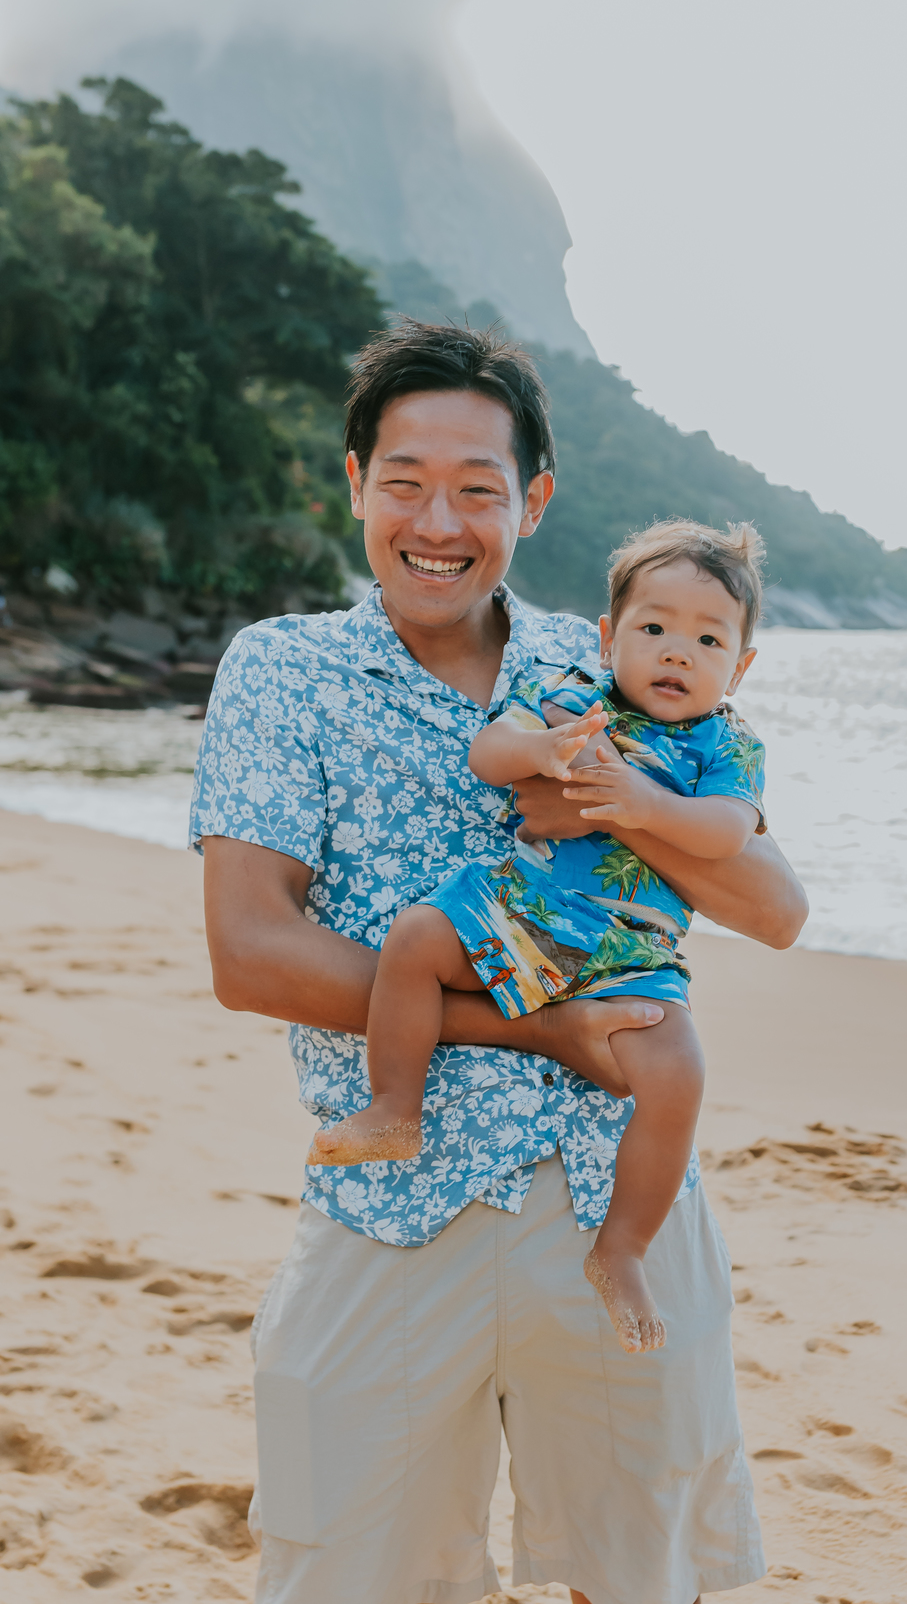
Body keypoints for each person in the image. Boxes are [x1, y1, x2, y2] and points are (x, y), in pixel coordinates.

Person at [194, 321, 808, 1604]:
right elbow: (251, 954)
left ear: (532, 500)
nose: (439, 519)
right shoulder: (284, 669)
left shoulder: (617, 661)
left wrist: (623, 795)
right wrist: (535, 1029)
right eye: (406, 479)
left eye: (479, 487)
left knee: (643, 1578)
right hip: (394, 1204)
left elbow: (774, 905)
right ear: (354, 481)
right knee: (345, 1577)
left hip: (615, 1199)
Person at [309, 518, 768, 1357]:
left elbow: (731, 834)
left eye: (708, 640)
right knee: (414, 940)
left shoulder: (725, 744)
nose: (677, 653)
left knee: (677, 1079)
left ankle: (622, 1247)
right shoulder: (575, 695)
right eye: (654, 628)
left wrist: (641, 806)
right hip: (524, 915)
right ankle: (393, 1105)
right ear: (609, 636)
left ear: (739, 667)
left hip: (631, 953)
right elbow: (490, 753)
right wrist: (540, 747)